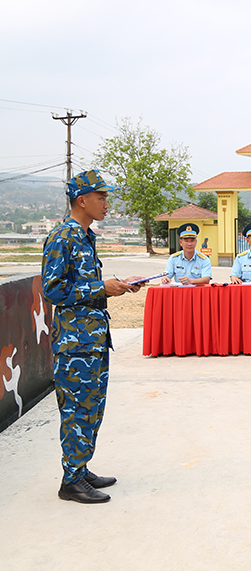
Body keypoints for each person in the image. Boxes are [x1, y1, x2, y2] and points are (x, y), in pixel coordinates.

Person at [41, 169, 144, 504]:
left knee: (92, 408)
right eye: (101, 197)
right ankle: (70, 481)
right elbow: (52, 290)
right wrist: (102, 288)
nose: (106, 204)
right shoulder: (62, 237)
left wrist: (118, 286)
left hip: (93, 340)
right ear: (82, 200)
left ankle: (80, 468)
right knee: (77, 410)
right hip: (75, 345)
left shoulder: (86, 236)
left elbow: (83, 286)